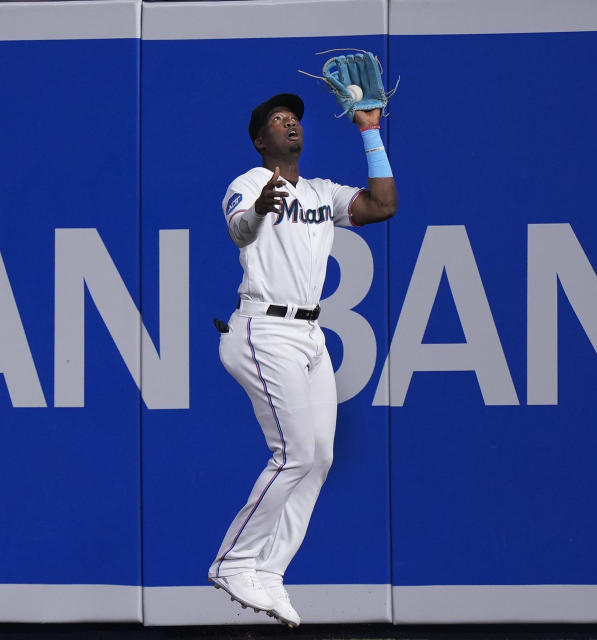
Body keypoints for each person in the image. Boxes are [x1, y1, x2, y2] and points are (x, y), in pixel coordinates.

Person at [207, 92, 397, 628]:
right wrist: (262, 208)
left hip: (309, 335)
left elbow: (383, 205)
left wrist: (369, 131)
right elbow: (238, 228)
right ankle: (234, 561)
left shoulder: (320, 192)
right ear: (260, 139)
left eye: (295, 118)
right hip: (261, 328)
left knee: (318, 457)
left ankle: (267, 572)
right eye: (277, 120)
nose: (290, 123)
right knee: (292, 452)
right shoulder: (248, 183)